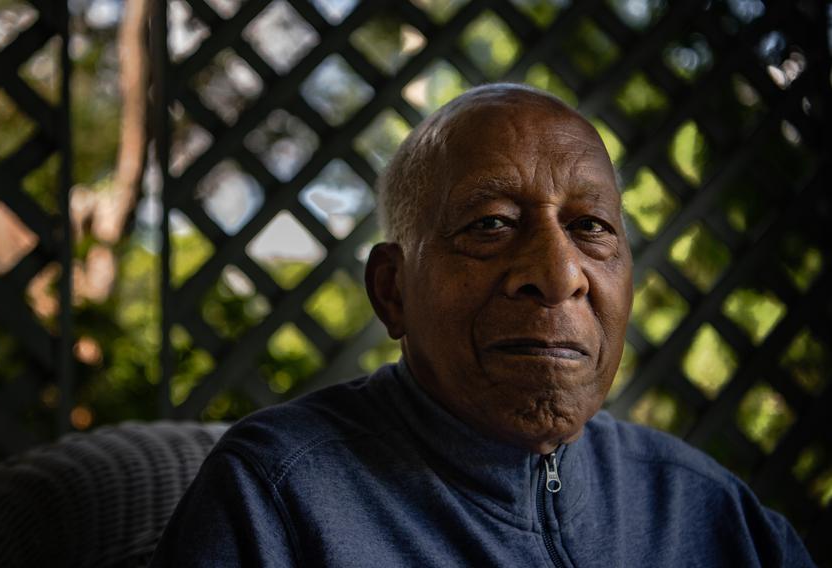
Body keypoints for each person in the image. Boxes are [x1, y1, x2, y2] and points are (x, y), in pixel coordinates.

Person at [150, 84, 814, 567]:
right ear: (393, 290)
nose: (558, 273)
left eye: (590, 227)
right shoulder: (278, 496)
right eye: (491, 224)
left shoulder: (704, 509)